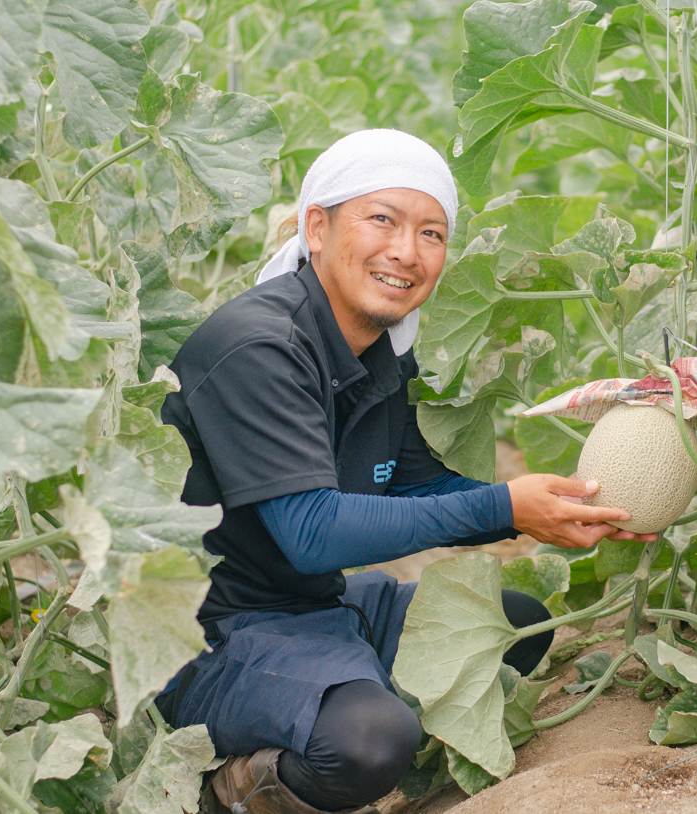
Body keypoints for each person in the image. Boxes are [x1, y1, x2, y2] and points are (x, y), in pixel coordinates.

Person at [156, 129, 655, 814]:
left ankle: (332, 687)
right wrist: (507, 508)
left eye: (431, 233)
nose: (406, 251)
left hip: (313, 610)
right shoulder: (258, 347)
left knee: (521, 627)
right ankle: (234, 787)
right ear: (318, 228)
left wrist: (569, 507)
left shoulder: (379, 353)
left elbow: (415, 481)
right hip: (205, 635)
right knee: (370, 742)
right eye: (382, 220)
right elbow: (312, 533)